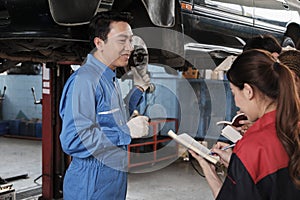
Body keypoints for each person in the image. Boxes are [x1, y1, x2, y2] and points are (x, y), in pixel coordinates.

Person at [59, 11, 151, 199]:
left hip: (112, 180)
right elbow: (72, 140)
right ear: (99, 43)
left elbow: (113, 117)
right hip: (91, 183)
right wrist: (126, 131)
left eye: (131, 41)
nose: (129, 48)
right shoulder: (85, 81)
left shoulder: (109, 77)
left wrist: (139, 90)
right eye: (121, 41)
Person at [190, 49, 300, 199]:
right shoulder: (293, 127)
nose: (236, 104)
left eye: (234, 93)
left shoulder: (252, 146)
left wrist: (208, 169)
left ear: (248, 91)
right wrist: (237, 165)